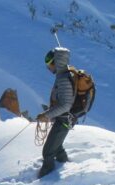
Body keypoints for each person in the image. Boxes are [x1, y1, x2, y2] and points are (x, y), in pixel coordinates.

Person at [36, 47, 75, 178]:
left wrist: (46, 115)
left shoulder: (64, 78)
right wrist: (49, 113)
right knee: (57, 147)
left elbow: (65, 105)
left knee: (48, 152)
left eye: (49, 65)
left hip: (64, 120)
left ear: (55, 63)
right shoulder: (63, 75)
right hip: (63, 119)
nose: (48, 69)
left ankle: (46, 179)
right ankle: (66, 168)